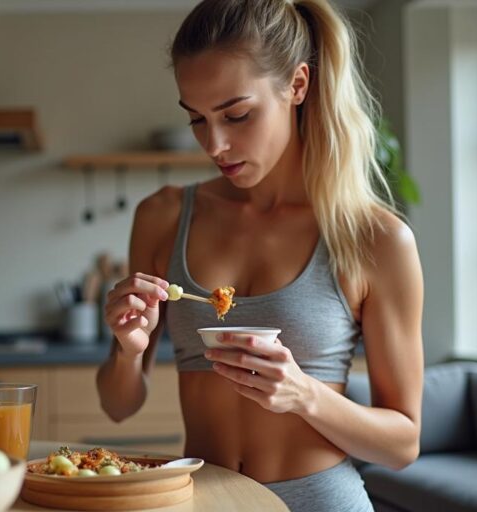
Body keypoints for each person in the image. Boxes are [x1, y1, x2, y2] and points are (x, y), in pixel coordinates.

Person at [96, 1, 424, 510]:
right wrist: (128, 350)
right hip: (204, 501)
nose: (216, 144)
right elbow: (119, 407)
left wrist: (303, 393)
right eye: (197, 120)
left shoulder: (375, 237)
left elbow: (403, 443)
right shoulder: (162, 216)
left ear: (297, 85)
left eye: (238, 115)